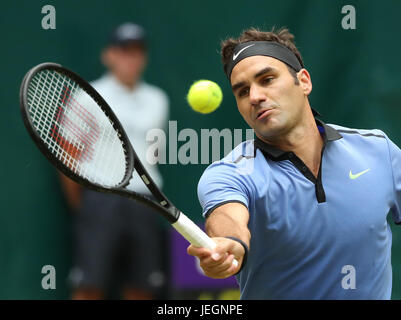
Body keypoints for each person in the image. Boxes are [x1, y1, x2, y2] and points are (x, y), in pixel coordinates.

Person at [187, 27, 401, 299]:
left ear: (304, 81)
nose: (255, 97)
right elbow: (227, 217)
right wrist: (230, 244)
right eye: (242, 92)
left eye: (267, 79)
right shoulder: (230, 173)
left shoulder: (378, 151)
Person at [60, 22, 169, 300]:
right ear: (108, 55)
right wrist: (86, 204)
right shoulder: (87, 97)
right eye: (124, 51)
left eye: (137, 52)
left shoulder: (158, 99)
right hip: (101, 200)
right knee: (89, 286)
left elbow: (153, 154)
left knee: (143, 287)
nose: (131, 59)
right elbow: (68, 155)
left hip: (145, 201)